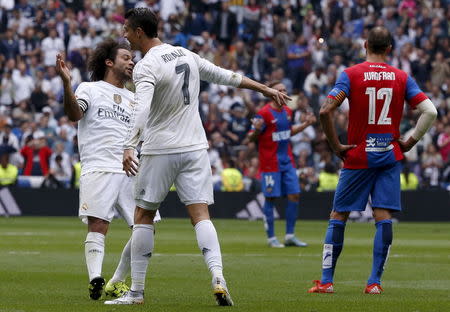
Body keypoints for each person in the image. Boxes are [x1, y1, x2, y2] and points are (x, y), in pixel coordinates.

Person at [105, 8, 290, 306]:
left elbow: (140, 109)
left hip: (160, 149)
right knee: (201, 215)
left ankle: (136, 292)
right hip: (194, 148)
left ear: (140, 31)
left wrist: (129, 146)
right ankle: (218, 278)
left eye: (127, 29)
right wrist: (264, 88)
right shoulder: (184, 53)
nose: (124, 34)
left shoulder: (145, 66)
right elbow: (224, 76)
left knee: (143, 216)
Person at [308, 26, 437, 295]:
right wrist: (411, 142)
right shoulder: (401, 77)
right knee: (383, 216)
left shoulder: (351, 75)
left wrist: (335, 146)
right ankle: (374, 283)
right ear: (389, 48)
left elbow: (325, 110)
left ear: (365, 45)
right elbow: (430, 111)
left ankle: (327, 281)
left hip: (358, 156)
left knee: (339, 215)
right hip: (389, 156)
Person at [55, 39, 161, 301]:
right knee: (99, 224)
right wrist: (67, 84)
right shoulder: (90, 89)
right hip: (99, 166)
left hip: (131, 168)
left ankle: (116, 280)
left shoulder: (136, 98)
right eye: (126, 57)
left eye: (132, 58)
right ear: (109, 62)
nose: (132, 62)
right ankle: (95, 278)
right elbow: (73, 115)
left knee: (145, 227)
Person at [247, 81, 316, 248]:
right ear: (271, 93)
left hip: (288, 161)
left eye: (285, 89)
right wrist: (256, 130)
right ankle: (271, 238)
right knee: (270, 198)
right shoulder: (263, 114)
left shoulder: (287, 111)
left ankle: (290, 235)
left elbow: (288, 132)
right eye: (280, 90)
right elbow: (250, 138)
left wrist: (306, 125)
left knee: (294, 195)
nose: (284, 92)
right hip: (270, 163)